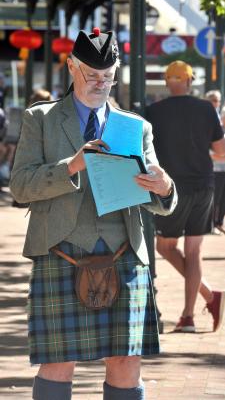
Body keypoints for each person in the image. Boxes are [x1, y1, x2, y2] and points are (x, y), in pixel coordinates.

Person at [10, 29, 177, 400]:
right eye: (92, 74)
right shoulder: (42, 118)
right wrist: (71, 165)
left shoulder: (136, 126)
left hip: (126, 255)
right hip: (60, 250)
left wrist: (164, 188)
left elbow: (157, 193)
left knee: (126, 360)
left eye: (108, 76)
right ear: (71, 67)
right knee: (57, 361)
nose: (101, 83)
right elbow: (20, 186)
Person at [145, 60, 225, 334]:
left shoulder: (153, 111)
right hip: (204, 184)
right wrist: (203, 151)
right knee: (194, 252)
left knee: (165, 247)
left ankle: (208, 297)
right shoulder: (206, 109)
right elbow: (222, 150)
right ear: (190, 81)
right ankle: (191, 314)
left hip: (171, 189)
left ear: (168, 82)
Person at [210, 106, 225, 234]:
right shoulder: (216, 131)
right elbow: (212, 154)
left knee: (223, 199)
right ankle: (213, 224)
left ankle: (219, 223)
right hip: (215, 170)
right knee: (216, 198)